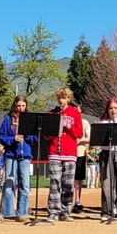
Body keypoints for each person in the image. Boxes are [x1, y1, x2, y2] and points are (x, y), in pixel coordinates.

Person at [46, 87, 83, 222]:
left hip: (70, 153)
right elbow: (46, 136)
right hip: (55, 152)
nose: (61, 100)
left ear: (68, 98)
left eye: (64, 97)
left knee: (68, 184)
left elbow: (79, 134)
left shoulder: (75, 113)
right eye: (59, 97)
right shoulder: (51, 113)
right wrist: (55, 128)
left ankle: (66, 211)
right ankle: (53, 211)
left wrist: (68, 125)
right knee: (55, 182)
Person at [0, 95, 34, 222]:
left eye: (23, 106)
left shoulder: (30, 119)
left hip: (25, 155)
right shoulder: (8, 119)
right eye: (18, 106)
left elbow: (36, 137)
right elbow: (1, 137)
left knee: (24, 185)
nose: (21, 108)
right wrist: (13, 138)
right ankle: (6, 212)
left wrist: (26, 136)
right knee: (9, 183)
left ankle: (22, 212)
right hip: (11, 154)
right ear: (14, 105)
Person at [73, 108, 91, 213]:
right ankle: (66, 202)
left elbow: (90, 137)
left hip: (80, 153)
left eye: (78, 110)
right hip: (68, 153)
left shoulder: (84, 122)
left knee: (78, 179)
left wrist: (80, 140)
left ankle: (77, 201)